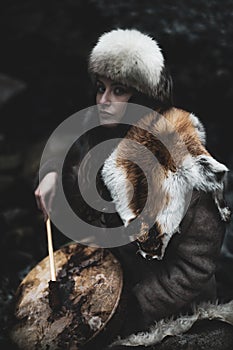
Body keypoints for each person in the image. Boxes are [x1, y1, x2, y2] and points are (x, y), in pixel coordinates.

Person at [34, 28, 232, 349]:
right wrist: (51, 175)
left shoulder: (180, 161)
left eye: (120, 90)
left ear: (144, 96)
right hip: (107, 289)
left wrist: (132, 308)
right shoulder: (97, 137)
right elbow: (66, 160)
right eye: (101, 88)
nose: (104, 101)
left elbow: (195, 266)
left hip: (170, 309)